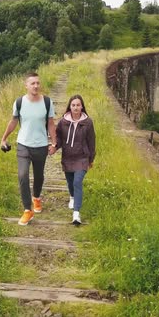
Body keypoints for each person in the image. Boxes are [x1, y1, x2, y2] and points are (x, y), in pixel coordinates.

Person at [0, 72, 57, 226]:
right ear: (26, 85)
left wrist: (53, 143)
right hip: (23, 145)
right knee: (22, 175)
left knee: (39, 176)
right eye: (32, 83)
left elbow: (51, 123)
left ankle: (36, 197)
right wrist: (4, 138)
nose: (36, 86)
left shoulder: (47, 102)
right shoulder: (19, 102)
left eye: (38, 83)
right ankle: (27, 210)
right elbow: (13, 121)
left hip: (40, 145)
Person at [55, 95, 96, 225]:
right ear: (70, 107)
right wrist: (54, 147)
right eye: (73, 105)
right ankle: (72, 196)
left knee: (77, 182)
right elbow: (59, 139)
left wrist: (91, 159)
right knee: (70, 182)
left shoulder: (88, 122)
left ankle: (76, 214)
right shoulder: (63, 122)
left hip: (82, 157)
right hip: (67, 157)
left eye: (78, 105)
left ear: (82, 106)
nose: (76, 107)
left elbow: (91, 141)